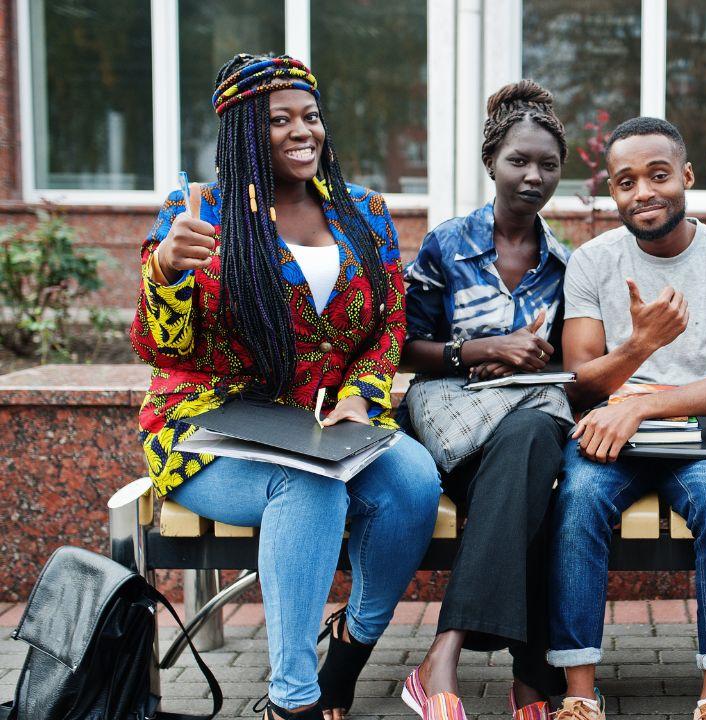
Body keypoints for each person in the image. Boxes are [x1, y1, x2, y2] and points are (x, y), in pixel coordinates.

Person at [130, 53, 441, 720]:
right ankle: (292, 700)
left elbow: (388, 323)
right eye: (280, 120)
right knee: (306, 480)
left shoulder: (364, 212)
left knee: (414, 480)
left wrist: (362, 393)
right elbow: (166, 348)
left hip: (324, 422)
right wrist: (164, 271)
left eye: (311, 116)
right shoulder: (200, 213)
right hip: (208, 427)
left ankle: (352, 644)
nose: (304, 131)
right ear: (244, 130)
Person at [546, 117, 706, 720]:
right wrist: (640, 347)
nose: (642, 191)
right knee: (577, 503)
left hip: (701, 433)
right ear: (613, 192)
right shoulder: (592, 262)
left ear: (687, 177)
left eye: (657, 174)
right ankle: (578, 693)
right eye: (625, 181)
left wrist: (642, 402)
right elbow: (579, 378)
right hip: (609, 431)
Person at [397, 79, 571, 720]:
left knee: (527, 449)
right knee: (530, 485)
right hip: (453, 417)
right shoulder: (447, 244)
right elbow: (402, 347)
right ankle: (531, 681)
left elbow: (572, 360)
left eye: (547, 165)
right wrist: (482, 348)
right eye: (519, 161)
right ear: (490, 164)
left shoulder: (565, 263)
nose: (533, 176)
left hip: (525, 419)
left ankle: (443, 654)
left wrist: (542, 357)